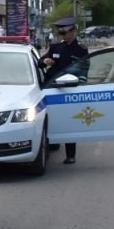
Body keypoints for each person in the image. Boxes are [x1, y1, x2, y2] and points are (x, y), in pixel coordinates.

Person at [40, 16, 89, 165]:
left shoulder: (81, 50)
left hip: (69, 90)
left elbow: (84, 72)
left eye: (65, 33)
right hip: (52, 89)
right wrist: (44, 62)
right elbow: (40, 62)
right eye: (60, 33)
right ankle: (50, 146)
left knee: (68, 121)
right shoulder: (55, 47)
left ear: (73, 31)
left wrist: (77, 86)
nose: (62, 36)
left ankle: (70, 154)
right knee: (50, 120)